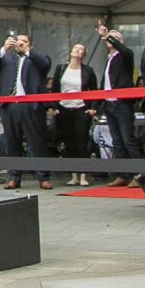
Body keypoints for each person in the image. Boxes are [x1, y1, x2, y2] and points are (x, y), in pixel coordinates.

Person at [0, 32, 53, 190]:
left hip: (30, 106)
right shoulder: (7, 59)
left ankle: (43, 177)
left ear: (31, 45)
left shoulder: (37, 59)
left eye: (24, 42)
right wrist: (4, 48)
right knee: (12, 142)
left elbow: (45, 65)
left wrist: (27, 51)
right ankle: (14, 177)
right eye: (18, 41)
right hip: (10, 105)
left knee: (36, 142)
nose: (20, 44)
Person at [98, 22, 142, 187]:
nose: (111, 40)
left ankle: (139, 174)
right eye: (111, 37)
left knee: (128, 139)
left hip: (122, 104)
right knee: (117, 142)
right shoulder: (109, 59)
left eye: (116, 38)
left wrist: (108, 36)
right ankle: (124, 174)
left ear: (121, 41)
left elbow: (124, 50)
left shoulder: (125, 56)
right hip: (109, 105)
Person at [49, 43, 99, 187]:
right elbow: (55, 90)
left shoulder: (88, 70)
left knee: (82, 142)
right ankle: (74, 175)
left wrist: (93, 108)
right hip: (64, 108)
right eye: (75, 48)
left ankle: (83, 175)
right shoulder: (61, 68)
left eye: (81, 49)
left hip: (81, 109)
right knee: (69, 142)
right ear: (70, 52)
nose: (78, 50)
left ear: (84, 55)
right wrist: (54, 106)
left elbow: (95, 91)